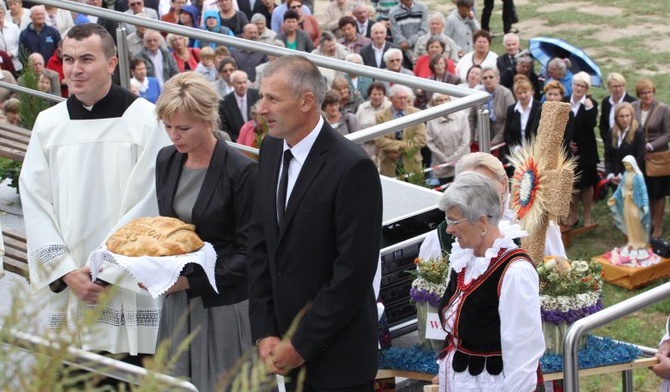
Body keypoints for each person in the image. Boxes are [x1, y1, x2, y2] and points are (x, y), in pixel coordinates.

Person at [19, 22, 169, 367]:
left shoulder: (146, 120)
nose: (75, 69)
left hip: (126, 285)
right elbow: (35, 201)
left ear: (112, 64)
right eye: (68, 59)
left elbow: (151, 201)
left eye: (87, 58)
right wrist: (65, 271)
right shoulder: (48, 123)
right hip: (70, 283)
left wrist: (106, 270)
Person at [247, 55, 382, 391]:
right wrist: (265, 330)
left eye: (272, 99)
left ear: (307, 101)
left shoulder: (352, 168)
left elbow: (352, 272)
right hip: (284, 355)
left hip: (338, 363)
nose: (261, 108)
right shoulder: (270, 150)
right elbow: (261, 244)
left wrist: (301, 345)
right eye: (261, 96)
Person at [154, 71, 256, 392]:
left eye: (183, 128)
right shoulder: (166, 159)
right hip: (177, 301)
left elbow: (250, 253)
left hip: (224, 305)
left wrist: (189, 281)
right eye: (168, 127)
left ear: (208, 120)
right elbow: (170, 229)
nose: (174, 136)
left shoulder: (241, 171)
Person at [436, 171, 544, 392]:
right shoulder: (463, 257)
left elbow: (523, 354)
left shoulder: (515, 271)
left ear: (482, 222)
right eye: (448, 220)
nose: (449, 229)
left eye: (454, 221)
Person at [631, 79, 670, 239]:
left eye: (649, 92)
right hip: (640, 158)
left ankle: (658, 224)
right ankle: (648, 221)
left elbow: (668, 134)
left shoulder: (663, 109)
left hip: (658, 157)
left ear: (653, 91)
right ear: (639, 95)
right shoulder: (633, 107)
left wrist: (651, 146)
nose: (647, 95)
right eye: (643, 93)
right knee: (645, 190)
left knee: (658, 193)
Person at [565, 71, 599, 228]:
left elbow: (591, 124)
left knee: (586, 185)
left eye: (583, 86)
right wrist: (567, 142)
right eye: (577, 85)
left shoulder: (591, 103)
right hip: (569, 151)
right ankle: (573, 215)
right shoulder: (565, 101)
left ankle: (587, 216)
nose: (579, 88)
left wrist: (589, 109)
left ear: (586, 88)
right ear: (572, 85)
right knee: (572, 185)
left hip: (586, 151)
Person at [375, 84, 427, 177]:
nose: (403, 101)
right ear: (391, 99)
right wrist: (402, 145)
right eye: (399, 98)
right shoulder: (381, 116)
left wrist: (400, 150)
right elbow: (379, 140)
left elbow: (421, 139)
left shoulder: (416, 113)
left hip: (412, 166)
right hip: (389, 166)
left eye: (405, 98)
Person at [607, 156, 650, 252]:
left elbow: (643, 191)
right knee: (628, 220)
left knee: (636, 220)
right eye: (625, 165)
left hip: (635, 202)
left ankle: (639, 241)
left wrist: (645, 204)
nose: (626, 166)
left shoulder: (638, 176)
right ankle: (631, 241)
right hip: (626, 202)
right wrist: (614, 197)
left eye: (628, 164)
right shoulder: (626, 174)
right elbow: (620, 188)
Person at [425, 93, 470, 184]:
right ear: (435, 103)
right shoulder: (431, 119)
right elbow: (429, 142)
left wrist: (454, 158)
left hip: (461, 162)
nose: (444, 102)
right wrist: (444, 158)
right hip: (442, 164)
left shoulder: (461, 116)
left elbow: (465, 140)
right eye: (440, 100)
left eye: (446, 99)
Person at [468, 66, 515, 146]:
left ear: (497, 78)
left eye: (491, 77)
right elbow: (472, 117)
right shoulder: (478, 94)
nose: (488, 80)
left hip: (502, 141)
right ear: (481, 80)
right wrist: (470, 138)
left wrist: (496, 140)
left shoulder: (506, 94)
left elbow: (510, 119)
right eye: (485, 78)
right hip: (481, 138)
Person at [604, 102, 645, 185]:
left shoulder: (638, 133)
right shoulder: (612, 132)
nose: (625, 119)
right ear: (616, 117)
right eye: (621, 116)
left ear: (632, 116)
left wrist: (622, 175)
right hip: (615, 177)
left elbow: (639, 157)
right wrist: (610, 174)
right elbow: (608, 155)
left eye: (627, 116)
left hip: (632, 178)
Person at [503, 74, 541, 161]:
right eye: (519, 93)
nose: (523, 96)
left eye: (525, 92)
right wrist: (516, 148)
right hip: (518, 155)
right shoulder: (511, 109)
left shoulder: (540, 107)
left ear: (531, 91)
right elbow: (507, 133)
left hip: (536, 155)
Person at [219, 70, 260, 141]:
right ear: (232, 84)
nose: (243, 86)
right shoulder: (224, 102)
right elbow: (224, 127)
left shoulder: (257, 95)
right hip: (236, 143)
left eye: (244, 82)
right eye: (239, 83)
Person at [355, 81, 391, 159]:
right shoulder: (362, 107)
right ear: (369, 95)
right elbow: (356, 126)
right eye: (374, 94)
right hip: (366, 147)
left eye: (380, 94)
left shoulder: (389, 107)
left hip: (384, 148)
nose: (377, 97)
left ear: (384, 95)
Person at [599, 73, 637, 143]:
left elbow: (635, 125)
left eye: (620, 86)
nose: (618, 89)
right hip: (610, 143)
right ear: (609, 87)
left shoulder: (632, 102)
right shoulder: (606, 102)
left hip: (628, 143)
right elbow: (603, 125)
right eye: (615, 86)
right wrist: (607, 140)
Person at [543, 80, 574, 156]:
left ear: (561, 96)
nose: (552, 97)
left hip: (561, 154)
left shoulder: (568, 113)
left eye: (555, 94)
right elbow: (534, 131)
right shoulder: (540, 110)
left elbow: (567, 136)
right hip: (542, 152)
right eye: (549, 94)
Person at [0, 3, 22, 73]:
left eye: (0, 12)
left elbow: (20, 44)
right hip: (1, 66)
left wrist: (12, 53)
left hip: (16, 65)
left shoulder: (13, 27)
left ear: (4, 13)